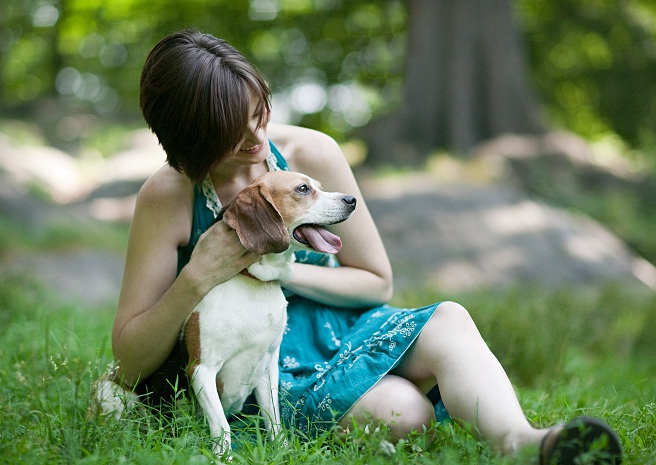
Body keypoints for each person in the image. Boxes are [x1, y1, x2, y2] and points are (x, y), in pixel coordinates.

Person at [105, 28, 622, 464]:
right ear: (188, 138)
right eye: (230, 130)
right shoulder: (167, 197)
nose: (256, 138)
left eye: (258, 111)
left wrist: (283, 272)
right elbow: (129, 359)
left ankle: (526, 444)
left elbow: (377, 281)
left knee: (449, 318)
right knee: (405, 415)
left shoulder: (311, 154)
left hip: (338, 324)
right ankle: (415, 393)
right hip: (258, 358)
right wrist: (198, 276)